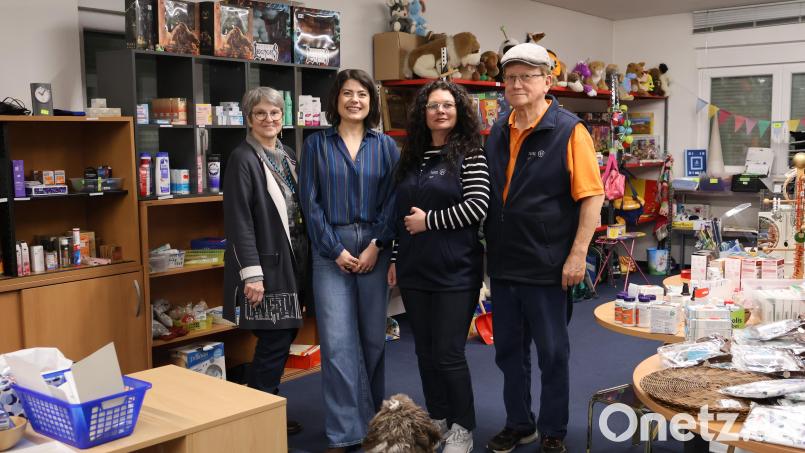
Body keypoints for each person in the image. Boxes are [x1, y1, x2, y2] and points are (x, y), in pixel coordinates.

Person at [483, 43, 605, 453]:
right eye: (510, 77)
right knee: (508, 353)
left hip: (549, 265)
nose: (516, 84)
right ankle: (520, 423)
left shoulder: (570, 130)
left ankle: (553, 430)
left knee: (553, 354)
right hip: (503, 264)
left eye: (526, 76)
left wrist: (577, 255)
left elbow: (592, 197)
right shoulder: (498, 130)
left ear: (547, 82)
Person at [299, 68, 399, 452]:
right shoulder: (316, 145)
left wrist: (376, 245)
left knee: (374, 341)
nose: (355, 100)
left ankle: (372, 420)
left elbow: (394, 201)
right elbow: (310, 203)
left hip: (375, 243)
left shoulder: (385, 146)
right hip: (332, 249)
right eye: (347, 93)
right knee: (338, 343)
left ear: (371, 102)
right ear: (335, 100)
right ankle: (345, 431)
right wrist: (336, 250)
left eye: (362, 94)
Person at [388, 80, 489, 453]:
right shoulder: (410, 156)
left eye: (447, 105)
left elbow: (478, 206)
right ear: (423, 113)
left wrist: (430, 221)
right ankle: (439, 419)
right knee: (425, 352)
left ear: (458, 111)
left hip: (455, 270)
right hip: (416, 269)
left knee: (449, 353)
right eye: (433, 106)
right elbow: (400, 215)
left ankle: (464, 426)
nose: (440, 111)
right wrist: (396, 258)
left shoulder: (471, 155)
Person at [222, 86, 311, 436]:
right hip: (266, 265)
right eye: (260, 113)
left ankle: (265, 406)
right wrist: (252, 275)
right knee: (276, 338)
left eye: (275, 113)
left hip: (294, 259)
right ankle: (259, 413)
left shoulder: (287, 153)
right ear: (249, 119)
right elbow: (239, 219)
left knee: (284, 335)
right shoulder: (243, 158)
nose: (269, 119)